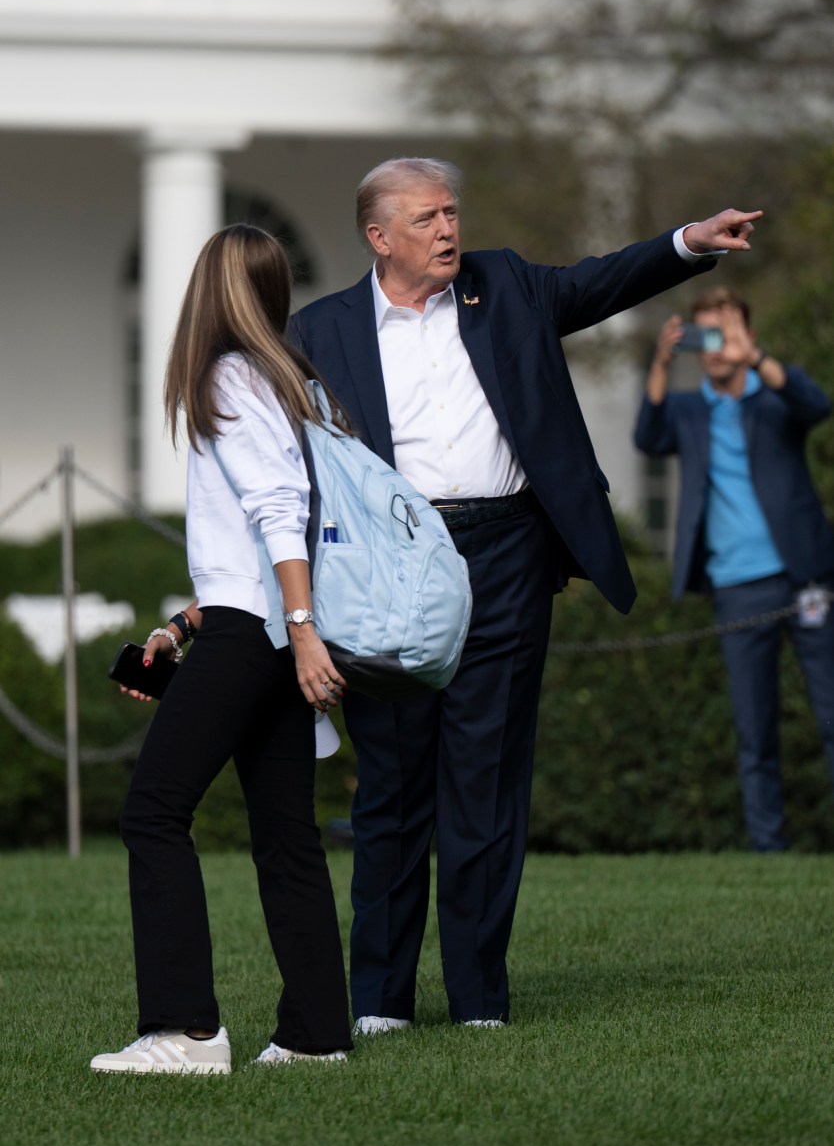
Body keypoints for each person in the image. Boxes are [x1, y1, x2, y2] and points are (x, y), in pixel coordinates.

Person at [289, 156, 762, 1032]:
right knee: (392, 785)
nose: (447, 231)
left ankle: (478, 1001)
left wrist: (689, 244)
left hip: (506, 555)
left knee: (487, 781)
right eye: (427, 218)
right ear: (378, 236)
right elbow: (284, 471)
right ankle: (380, 1002)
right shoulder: (318, 330)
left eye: (451, 213)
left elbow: (600, 282)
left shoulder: (503, 284)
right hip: (392, 570)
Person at [90, 224, 353, 1074]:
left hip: (264, 633)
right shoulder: (292, 384)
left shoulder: (228, 379)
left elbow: (280, 513)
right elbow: (252, 544)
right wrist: (179, 628)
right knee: (286, 835)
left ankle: (184, 1031)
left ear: (208, 290)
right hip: (259, 625)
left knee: (153, 812)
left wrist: (304, 632)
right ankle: (316, 1037)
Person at [634, 286, 834, 852]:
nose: (718, 348)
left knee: (832, 713)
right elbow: (647, 437)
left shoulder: (775, 394)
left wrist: (756, 359)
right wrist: (660, 364)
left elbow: (816, 405)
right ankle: (770, 850)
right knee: (754, 728)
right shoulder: (688, 409)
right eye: (707, 335)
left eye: (727, 333)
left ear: (746, 333)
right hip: (736, 587)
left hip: (807, 579)